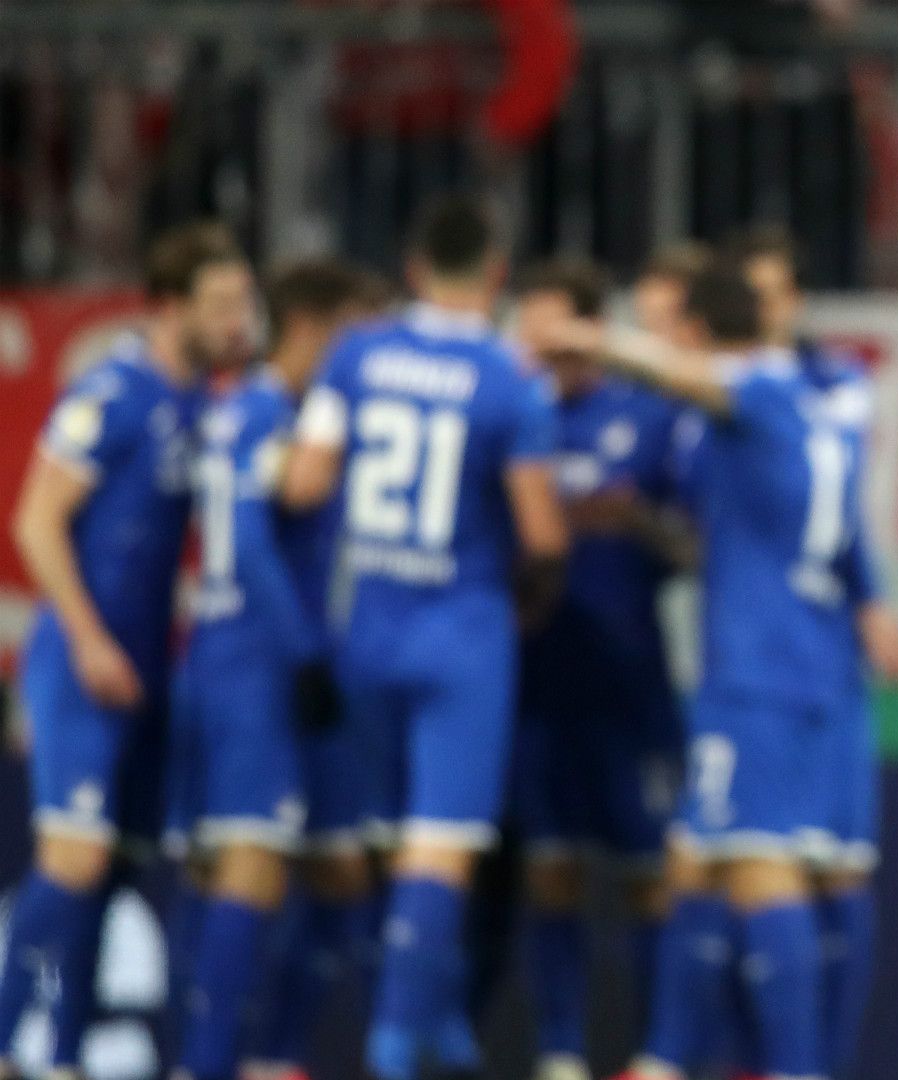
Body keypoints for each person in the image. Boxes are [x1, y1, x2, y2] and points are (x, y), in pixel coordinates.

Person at [526, 258, 881, 1080]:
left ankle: (789, 1069)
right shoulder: (810, 399)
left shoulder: (755, 388)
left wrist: (588, 338)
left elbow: (692, 379)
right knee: (697, 859)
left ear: (695, 333)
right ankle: (668, 1059)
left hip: (757, 673)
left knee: (759, 865)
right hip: (799, 659)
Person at [280, 195, 568, 1080]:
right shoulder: (510, 377)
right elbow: (543, 534)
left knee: (385, 834)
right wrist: (528, 599)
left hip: (366, 626)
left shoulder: (355, 354)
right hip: (462, 634)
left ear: (412, 269)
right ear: (496, 273)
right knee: (441, 843)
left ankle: (428, 1010)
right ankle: (396, 1043)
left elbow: (302, 484)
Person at [0, 222, 253, 1078]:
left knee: (115, 872)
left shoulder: (206, 403)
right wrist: (87, 639)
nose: (236, 321)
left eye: (243, 303)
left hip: (147, 669)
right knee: (73, 860)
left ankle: (65, 1056)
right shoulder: (112, 393)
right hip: (84, 663)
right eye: (220, 305)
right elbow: (36, 523)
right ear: (170, 307)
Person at [731, 225, 898, 1076]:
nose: (760, 311)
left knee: (838, 872)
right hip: (754, 661)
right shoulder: (730, 391)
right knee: (735, 868)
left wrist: (870, 597)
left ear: (795, 301)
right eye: (746, 297)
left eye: (771, 295)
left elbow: (839, 512)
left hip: (823, 655)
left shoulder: (835, 384)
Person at [507, 258, 690, 1080]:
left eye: (558, 328)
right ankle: (560, 1054)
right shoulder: (513, 413)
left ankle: (654, 1056)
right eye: (531, 329)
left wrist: (638, 522)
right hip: (538, 682)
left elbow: (693, 547)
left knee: (651, 875)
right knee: (553, 869)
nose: (543, 346)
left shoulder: (648, 416)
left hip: (631, 683)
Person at [240, 259, 393, 1080]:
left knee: (342, 872)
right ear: (313, 328)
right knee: (249, 871)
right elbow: (249, 547)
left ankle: (280, 1057)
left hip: (329, 676)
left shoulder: (315, 419)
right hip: (267, 680)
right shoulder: (261, 411)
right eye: (357, 337)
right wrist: (301, 655)